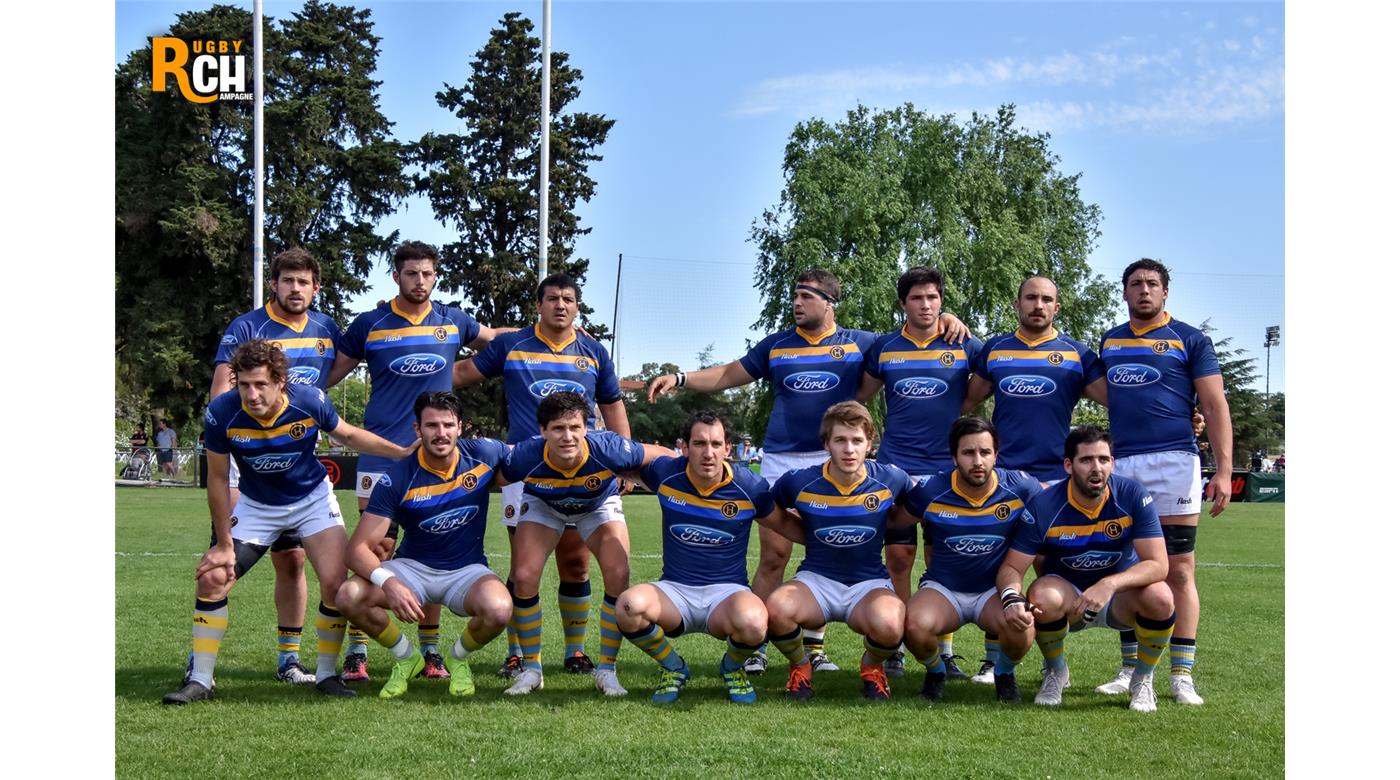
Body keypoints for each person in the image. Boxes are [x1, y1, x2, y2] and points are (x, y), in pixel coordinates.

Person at [648, 268, 966, 675]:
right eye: (795, 296)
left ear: (829, 303)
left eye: (806, 296)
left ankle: (821, 649)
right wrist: (681, 378)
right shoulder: (777, 345)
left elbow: (910, 337)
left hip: (838, 456)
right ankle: (757, 643)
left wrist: (946, 321)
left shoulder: (862, 343)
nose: (797, 303)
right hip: (783, 458)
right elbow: (729, 374)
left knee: (847, 553)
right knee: (774, 556)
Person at [162, 340, 414, 704]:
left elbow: (348, 434)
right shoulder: (222, 413)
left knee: (334, 583)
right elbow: (217, 479)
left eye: (260, 384)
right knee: (214, 578)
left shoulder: (308, 400)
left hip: (312, 501)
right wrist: (222, 543)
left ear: (280, 381)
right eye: (244, 384)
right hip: (256, 505)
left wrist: (402, 452)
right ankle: (200, 679)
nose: (251, 394)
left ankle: (326, 675)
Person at [328, 240, 511, 682]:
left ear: (435, 276)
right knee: (377, 551)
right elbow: (329, 372)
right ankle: (357, 652)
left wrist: (550, 331)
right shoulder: (370, 323)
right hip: (381, 455)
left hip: (436, 448)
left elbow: (499, 338)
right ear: (396, 275)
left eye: (428, 273)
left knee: (431, 546)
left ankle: (430, 652)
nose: (420, 281)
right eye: (412, 273)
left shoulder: (453, 320)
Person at [451, 273, 628, 680]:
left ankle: (575, 651)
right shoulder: (511, 345)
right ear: (539, 304)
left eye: (568, 298)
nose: (560, 305)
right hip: (525, 471)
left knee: (575, 562)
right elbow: (461, 375)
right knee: (522, 567)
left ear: (577, 306)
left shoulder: (594, 351)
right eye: (552, 298)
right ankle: (517, 654)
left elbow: (613, 404)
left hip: (580, 469)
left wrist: (621, 458)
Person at [1096, 258, 1233, 705]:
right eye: (1135, 284)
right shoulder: (1110, 341)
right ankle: (1133, 670)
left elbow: (1213, 406)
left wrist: (1225, 471)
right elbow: (1111, 394)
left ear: (1165, 292)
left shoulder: (1190, 339)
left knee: (1179, 568)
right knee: (1129, 568)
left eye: (1152, 284)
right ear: (1124, 293)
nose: (1144, 291)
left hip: (1175, 461)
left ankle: (1181, 674)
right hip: (1124, 464)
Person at [206, 247, 343, 686]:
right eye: (288, 281)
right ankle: (200, 670)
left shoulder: (326, 328)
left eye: (304, 282)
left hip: (295, 458)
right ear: (275, 284)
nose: (295, 288)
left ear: (316, 287)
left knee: (294, 562)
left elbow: (329, 377)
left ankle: (289, 660)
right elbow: (222, 391)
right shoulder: (247, 326)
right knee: (220, 566)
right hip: (248, 460)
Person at [960, 274, 1107, 683]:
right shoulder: (995, 350)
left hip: (1053, 480)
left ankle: (1052, 663)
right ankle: (993, 658)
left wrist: (1189, 419)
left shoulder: (1077, 355)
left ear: (1057, 307)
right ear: (1016, 304)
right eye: (1030, 298)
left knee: (1047, 571)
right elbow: (965, 401)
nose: (1038, 305)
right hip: (1001, 476)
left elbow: (1122, 402)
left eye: (1046, 299)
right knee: (1000, 561)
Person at [336, 392, 513, 699]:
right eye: (432, 425)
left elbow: (536, 453)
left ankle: (457, 657)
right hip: (412, 569)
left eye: (448, 425)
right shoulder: (396, 479)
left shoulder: (484, 454)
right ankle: (408, 657)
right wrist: (388, 582)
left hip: (466, 570)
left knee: (499, 610)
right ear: (417, 430)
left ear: (460, 427)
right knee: (348, 595)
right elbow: (357, 550)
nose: (441, 433)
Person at [497, 391, 673, 697]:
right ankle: (532, 669)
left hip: (597, 504)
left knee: (618, 572)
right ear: (543, 431)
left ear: (586, 428)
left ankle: (607, 669)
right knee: (523, 576)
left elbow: (661, 454)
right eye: (558, 429)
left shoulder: (610, 448)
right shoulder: (525, 456)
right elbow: (487, 475)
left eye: (575, 427)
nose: (568, 436)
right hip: (544, 504)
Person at [617, 410, 794, 704]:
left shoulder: (749, 487)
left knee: (755, 622)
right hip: (675, 591)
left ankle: (732, 668)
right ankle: (674, 667)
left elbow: (786, 525)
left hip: (727, 594)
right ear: (684, 448)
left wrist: (824, 536)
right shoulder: (666, 474)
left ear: (728, 448)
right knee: (627, 607)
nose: (708, 453)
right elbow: (623, 464)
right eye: (699, 444)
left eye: (715, 444)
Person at [995, 426, 1176, 713]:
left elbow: (1158, 565)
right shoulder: (1044, 505)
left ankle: (1142, 679)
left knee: (1161, 597)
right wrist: (1012, 598)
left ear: (1113, 463)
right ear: (1069, 465)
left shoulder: (1132, 495)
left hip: (1119, 598)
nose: (1097, 468)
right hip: (1070, 599)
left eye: (1104, 460)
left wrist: (1110, 584)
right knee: (1041, 597)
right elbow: (1012, 567)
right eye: (1086, 460)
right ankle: (1056, 672)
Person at [857, 266, 982, 680]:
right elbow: (858, 400)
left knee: (940, 558)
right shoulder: (884, 348)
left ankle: (941, 649)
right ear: (902, 304)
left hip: (947, 471)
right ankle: (894, 644)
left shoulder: (964, 344)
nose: (926, 305)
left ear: (942, 301)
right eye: (917, 298)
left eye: (933, 297)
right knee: (899, 557)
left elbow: (999, 371)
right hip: (896, 467)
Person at [765, 402, 914, 701]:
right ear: (826, 443)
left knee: (892, 622)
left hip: (868, 584)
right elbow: (771, 510)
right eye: (840, 440)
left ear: (869, 443)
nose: (849, 449)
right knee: (776, 609)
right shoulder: (800, 481)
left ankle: (872, 667)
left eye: (857, 440)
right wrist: (807, 535)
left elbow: (914, 510)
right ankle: (801, 668)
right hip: (817, 582)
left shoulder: (892, 479)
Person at [890, 416, 1043, 703]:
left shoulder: (1020, 487)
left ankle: (1004, 674)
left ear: (996, 455)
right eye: (968, 452)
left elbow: (1057, 501)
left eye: (985, 452)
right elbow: (894, 520)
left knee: (1023, 625)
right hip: (944, 589)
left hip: (994, 591)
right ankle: (936, 672)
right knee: (912, 625)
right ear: (954, 456)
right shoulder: (933, 489)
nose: (978, 461)